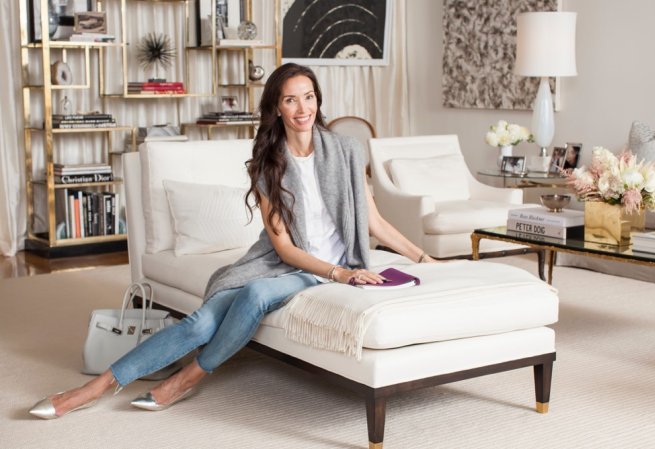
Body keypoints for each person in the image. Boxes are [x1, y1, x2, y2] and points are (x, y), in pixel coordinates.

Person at [29, 63, 436, 419]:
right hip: (288, 264)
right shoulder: (268, 164)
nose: (303, 108)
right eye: (291, 100)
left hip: (323, 272)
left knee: (256, 294)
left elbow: (373, 221)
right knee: (200, 323)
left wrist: (423, 258)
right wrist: (338, 273)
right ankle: (94, 388)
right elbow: (284, 249)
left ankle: (187, 377)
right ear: (277, 107)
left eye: (309, 97)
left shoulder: (346, 151)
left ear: (318, 99)